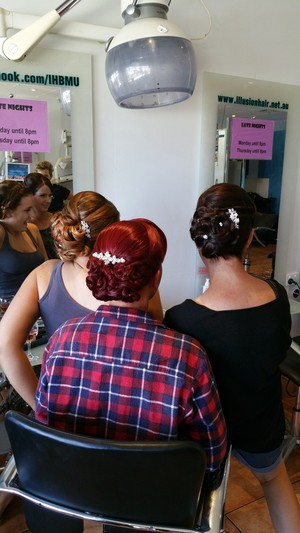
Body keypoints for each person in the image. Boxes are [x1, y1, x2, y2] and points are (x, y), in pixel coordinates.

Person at [163, 183, 300, 533]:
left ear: (199, 243)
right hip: (260, 423)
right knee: (274, 481)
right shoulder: (277, 295)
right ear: (251, 237)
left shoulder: (182, 318)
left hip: (203, 440)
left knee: (195, 502)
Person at [0, 191, 163, 410]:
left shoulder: (45, 275)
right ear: (112, 234)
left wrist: (42, 407)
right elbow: (156, 339)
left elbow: (5, 346)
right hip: (129, 407)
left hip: (65, 411)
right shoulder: (137, 281)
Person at [0, 180, 47, 298]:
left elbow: (47, 270)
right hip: (8, 310)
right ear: (9, 211)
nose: (32, 215)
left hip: (38, 305)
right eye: (27, 210)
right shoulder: (1, 233)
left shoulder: (32, 230)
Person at [24, 173, 58, 259]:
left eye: (50, 196)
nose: (48, 200)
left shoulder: (56, 219)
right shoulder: (23, 225)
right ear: (30, 196)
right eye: (43, 196)